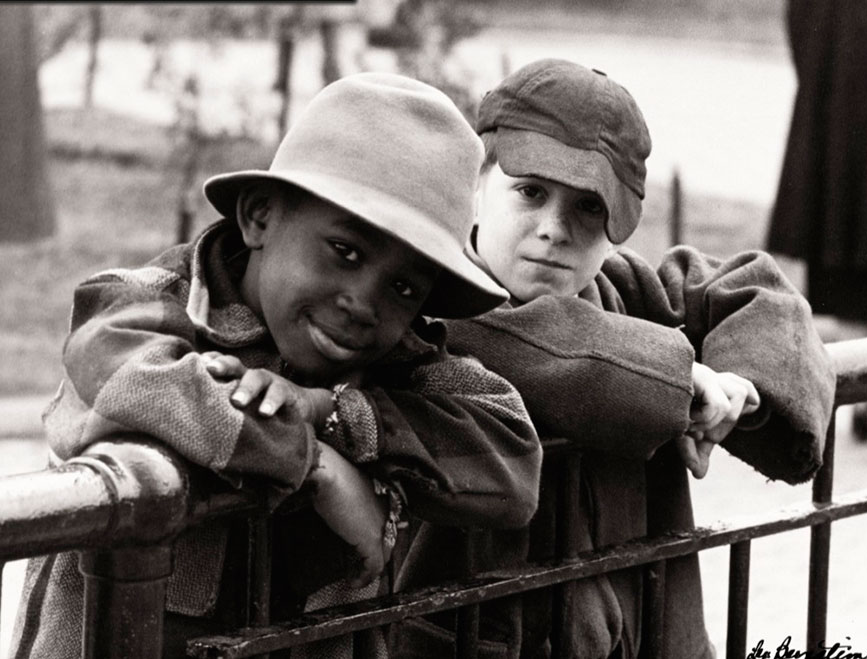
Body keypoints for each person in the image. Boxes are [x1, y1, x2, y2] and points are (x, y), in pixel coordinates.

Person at [9, 72, 542, 659]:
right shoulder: (142, 302)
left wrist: (335, 413)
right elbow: (127, 385)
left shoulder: (395, 357)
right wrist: (313, 464)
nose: (364, 303)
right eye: (345, 251)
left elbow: (512, 461)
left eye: (403, 287)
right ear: (260, 216)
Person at [391, 59, 836, 659]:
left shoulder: (626, 292)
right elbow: (544, 345)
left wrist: (741, 385)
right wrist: (679, 382)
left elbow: (764, 295)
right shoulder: (425, 307)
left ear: (620, 225)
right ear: (477, 182)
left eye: (589, 208)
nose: (554, 228)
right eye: (530, 191)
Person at [766, 0, 867, 440]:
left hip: (833, 115)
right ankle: (861, 394)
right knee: (846, 256)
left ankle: (861, 394)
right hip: (838, 108)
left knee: (842, 247)